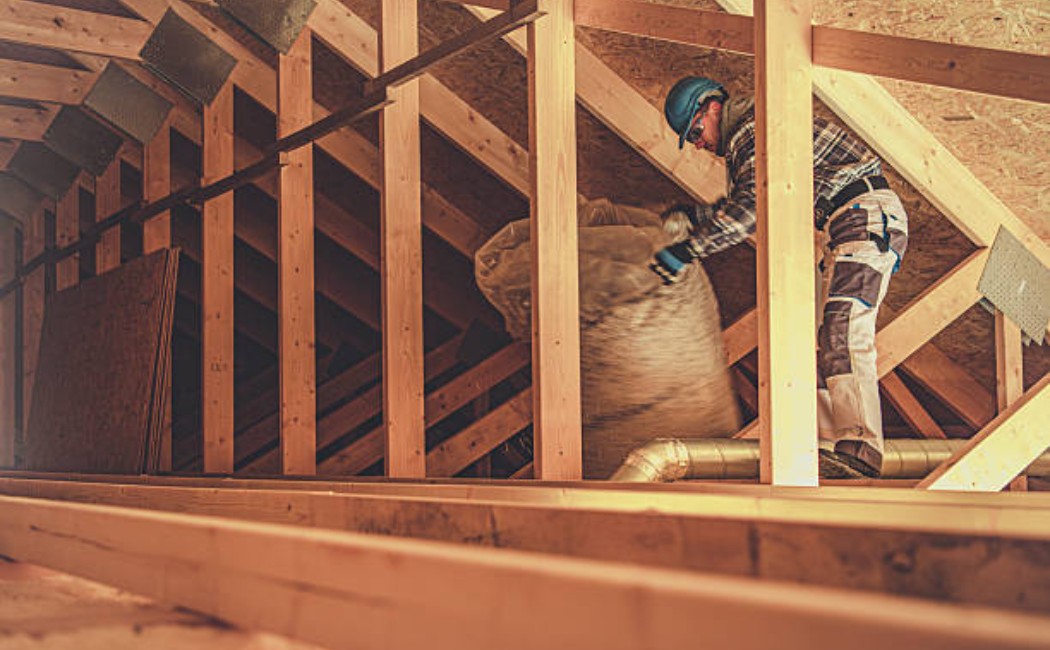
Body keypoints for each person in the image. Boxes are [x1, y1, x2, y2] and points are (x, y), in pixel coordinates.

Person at [650, 76, 909, 478]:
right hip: (850, 221)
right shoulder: (754, 137)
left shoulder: (754, 131)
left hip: (863, 216)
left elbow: (750, 211)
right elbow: (754, 201)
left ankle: (860, 451)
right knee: (824, 335)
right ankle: (832, 448)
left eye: (696, 132)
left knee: (843, 329)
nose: (698, 144)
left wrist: (689, 248)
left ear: (712, 108)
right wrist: (696, 217)